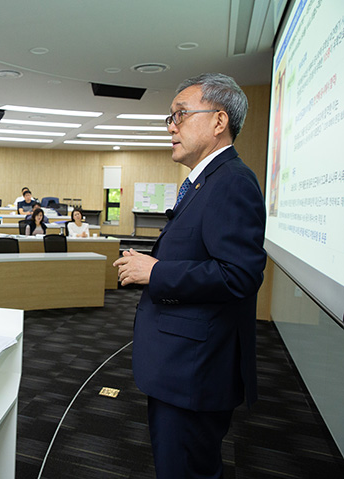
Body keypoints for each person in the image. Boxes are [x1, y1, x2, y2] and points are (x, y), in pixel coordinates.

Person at [112, 73, 266, 479]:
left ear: (219, 121)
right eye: (170, 116)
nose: (171, 126)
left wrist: (157, 271)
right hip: (181, 366)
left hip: (196, 371)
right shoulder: (204, 182)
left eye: (180, 114)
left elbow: (239, 274)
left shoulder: (231, 182)